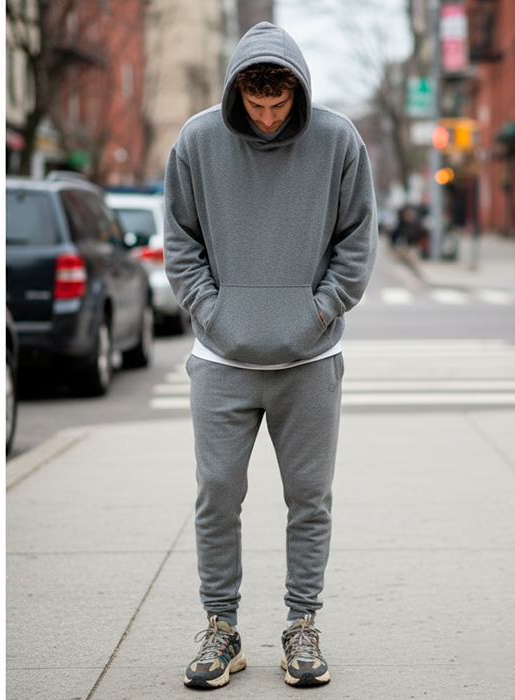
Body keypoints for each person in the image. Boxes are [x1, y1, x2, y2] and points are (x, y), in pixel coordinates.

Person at [164, 22, 376, 689]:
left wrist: (317, 311)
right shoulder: (198, 141)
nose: (265, 117)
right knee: (217, 497)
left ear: (297, 92)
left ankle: (302, 626)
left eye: (278, 106)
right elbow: (179, 240)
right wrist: (213, 311)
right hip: (221, 360)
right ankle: (221, 629)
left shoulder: (338, 140)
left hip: (309, 360)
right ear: (236, 93)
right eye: (254, 106)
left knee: (309, 499)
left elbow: (356, 241)